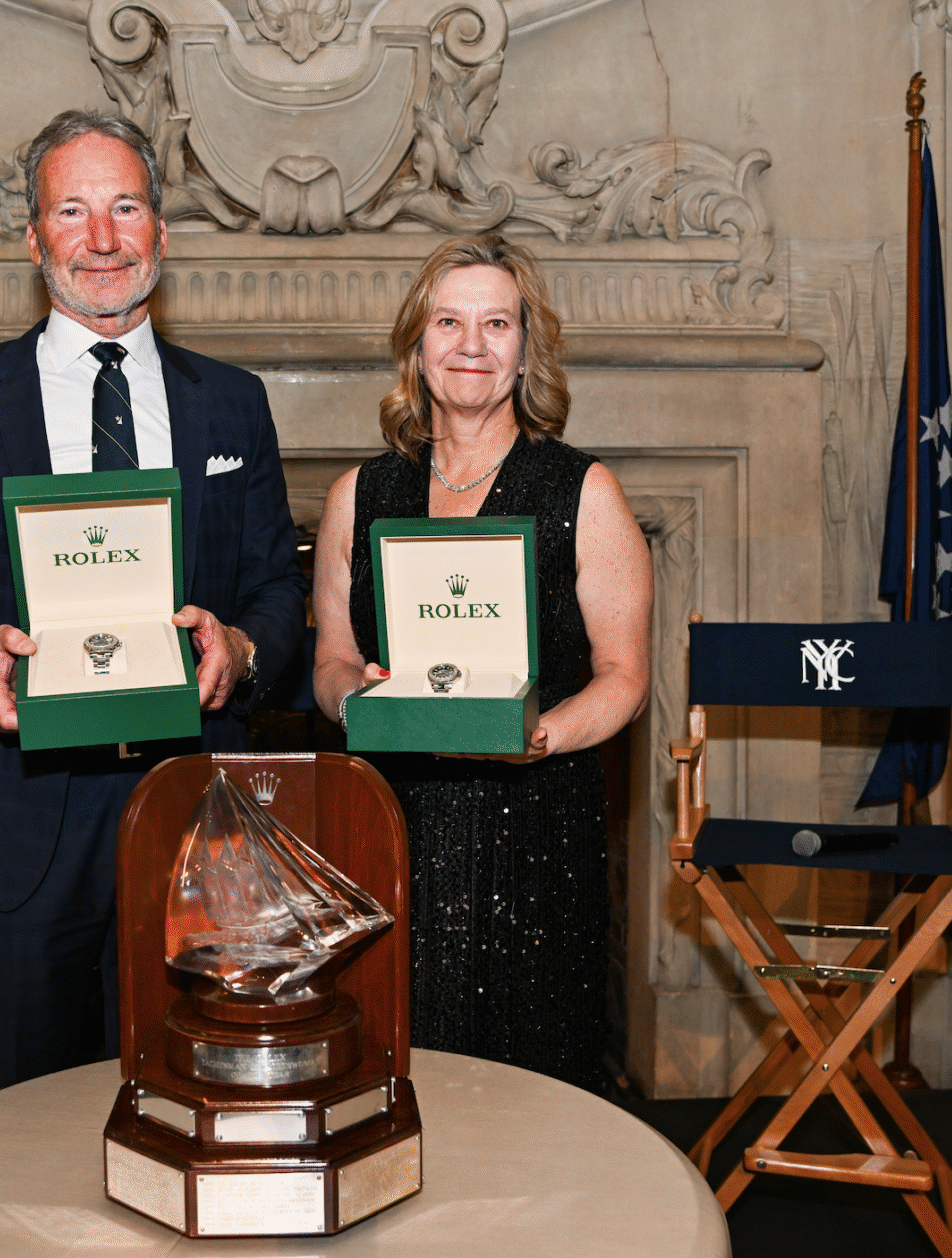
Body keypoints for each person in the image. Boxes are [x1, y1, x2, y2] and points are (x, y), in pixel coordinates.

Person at [0, 111, 307, 1096]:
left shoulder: (232, 401)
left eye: (126, 207)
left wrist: (243, 645)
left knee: (191, 1104)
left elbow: (279, 585)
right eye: (72, 211)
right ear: (34, 239)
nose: (102, 238)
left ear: (161, 231)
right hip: (15, 812)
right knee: (23, 1126)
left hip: (192, 813)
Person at [310, 236, 651, 1090]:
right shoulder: (358, 495)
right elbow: (332, 661)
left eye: (496, 323)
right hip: (394, 822)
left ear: (525, 349)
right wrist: (357, 702)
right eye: (448, 322)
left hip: (536, 826)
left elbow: (625, 676)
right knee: (390, 1068)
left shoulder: (584, 492)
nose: (471, 344)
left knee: (534, 1083)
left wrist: (543, 735)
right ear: (416, 347)